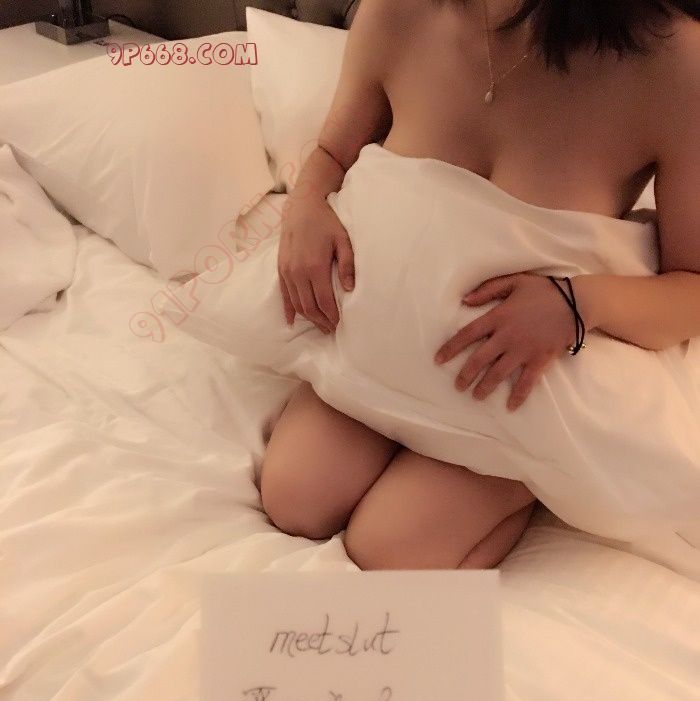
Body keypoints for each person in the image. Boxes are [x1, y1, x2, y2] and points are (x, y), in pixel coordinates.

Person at [259, 0, 700, 570]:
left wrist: (575, 304)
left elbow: (693, 288)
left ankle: (527, 482)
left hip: (512, 378)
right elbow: (331, 153)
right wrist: (304, 204)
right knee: (295, 499)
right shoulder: (396, 12)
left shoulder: (673, 59)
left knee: (389, 551)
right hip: (387, 340)